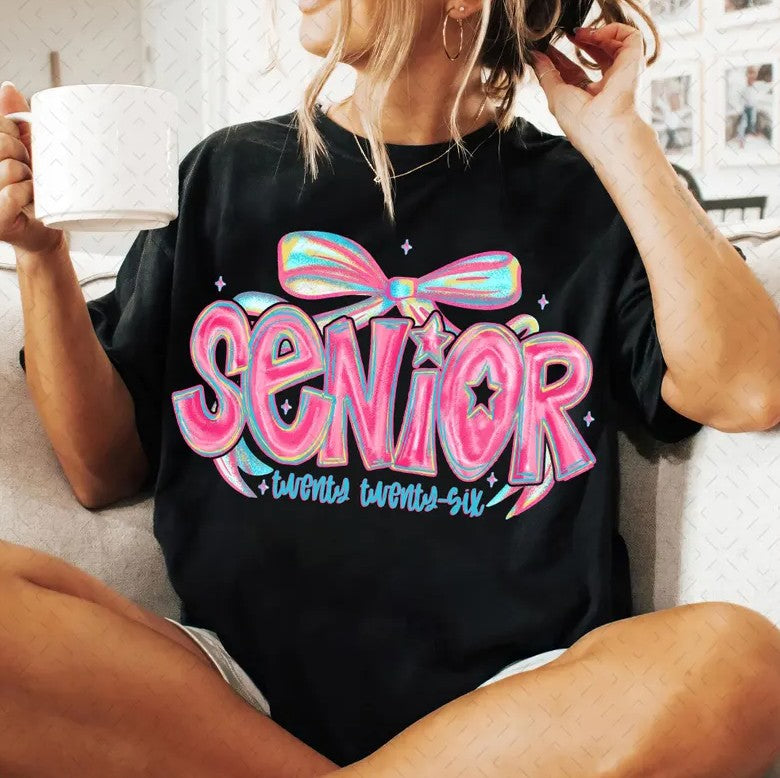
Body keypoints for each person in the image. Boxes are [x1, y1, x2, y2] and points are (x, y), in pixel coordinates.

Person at [2, 0, 780, 775]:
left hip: (519, 713)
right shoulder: (223, 175)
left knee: (739, 663)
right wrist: (40, 254)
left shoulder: (596, 197)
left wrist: (618, 135)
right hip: (226, 698)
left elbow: (749, 388)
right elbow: (104, 472)